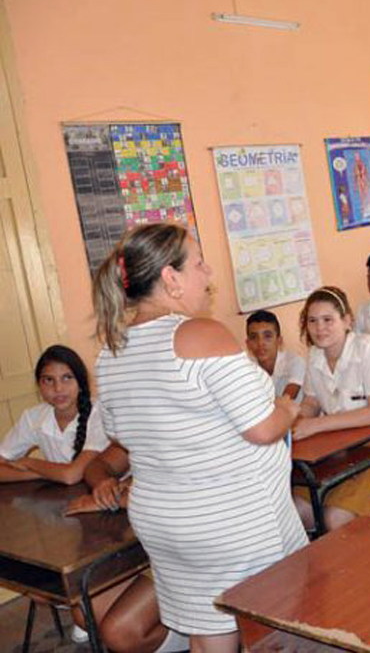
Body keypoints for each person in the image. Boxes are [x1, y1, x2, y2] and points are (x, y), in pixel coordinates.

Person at [92, 222, 306, 652]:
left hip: (169, 524)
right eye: (198, 264)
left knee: (209, 635)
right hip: (235, 523)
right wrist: (287, 408)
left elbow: (125, 434)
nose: (208, 274)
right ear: (170, 279)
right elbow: (262, 427)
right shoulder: (199, 334)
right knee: (277, 631)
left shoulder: (111, 352)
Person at [292, 286, 370, 532]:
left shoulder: (368, 349)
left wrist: (316, 425)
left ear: (347, 321)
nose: (320, 328)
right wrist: (292, 420)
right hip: (342, 447)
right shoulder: (315, 356)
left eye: (328, 320)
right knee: (301, 512)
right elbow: (312, 402)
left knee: (336, 518)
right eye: (312, 321)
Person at [64, 444, 188, 653]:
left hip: (193, 552)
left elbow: (184, 496)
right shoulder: (142, 422)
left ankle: (208, 633)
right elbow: (98, 464)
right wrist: (105, 487)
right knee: (86, 612)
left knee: (119, 632)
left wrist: (114, 501)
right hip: (154, 549)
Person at [0, 345, 109, 484]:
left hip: (109, 496)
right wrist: (41, 474)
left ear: (81, 382)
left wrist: (29, 462)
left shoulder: (99, 412)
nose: (58, 388)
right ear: (39, 386)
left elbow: (71, 475)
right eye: (48, 380)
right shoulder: (34, 417)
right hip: (63, 497)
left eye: (67, 377)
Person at [245, 309, 305, 401]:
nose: (260, 343)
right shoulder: (246, 369)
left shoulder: (295, 362)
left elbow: (286, 401)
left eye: (267, 336)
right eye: (254, 337)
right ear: (248, 344)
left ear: (279, 341)